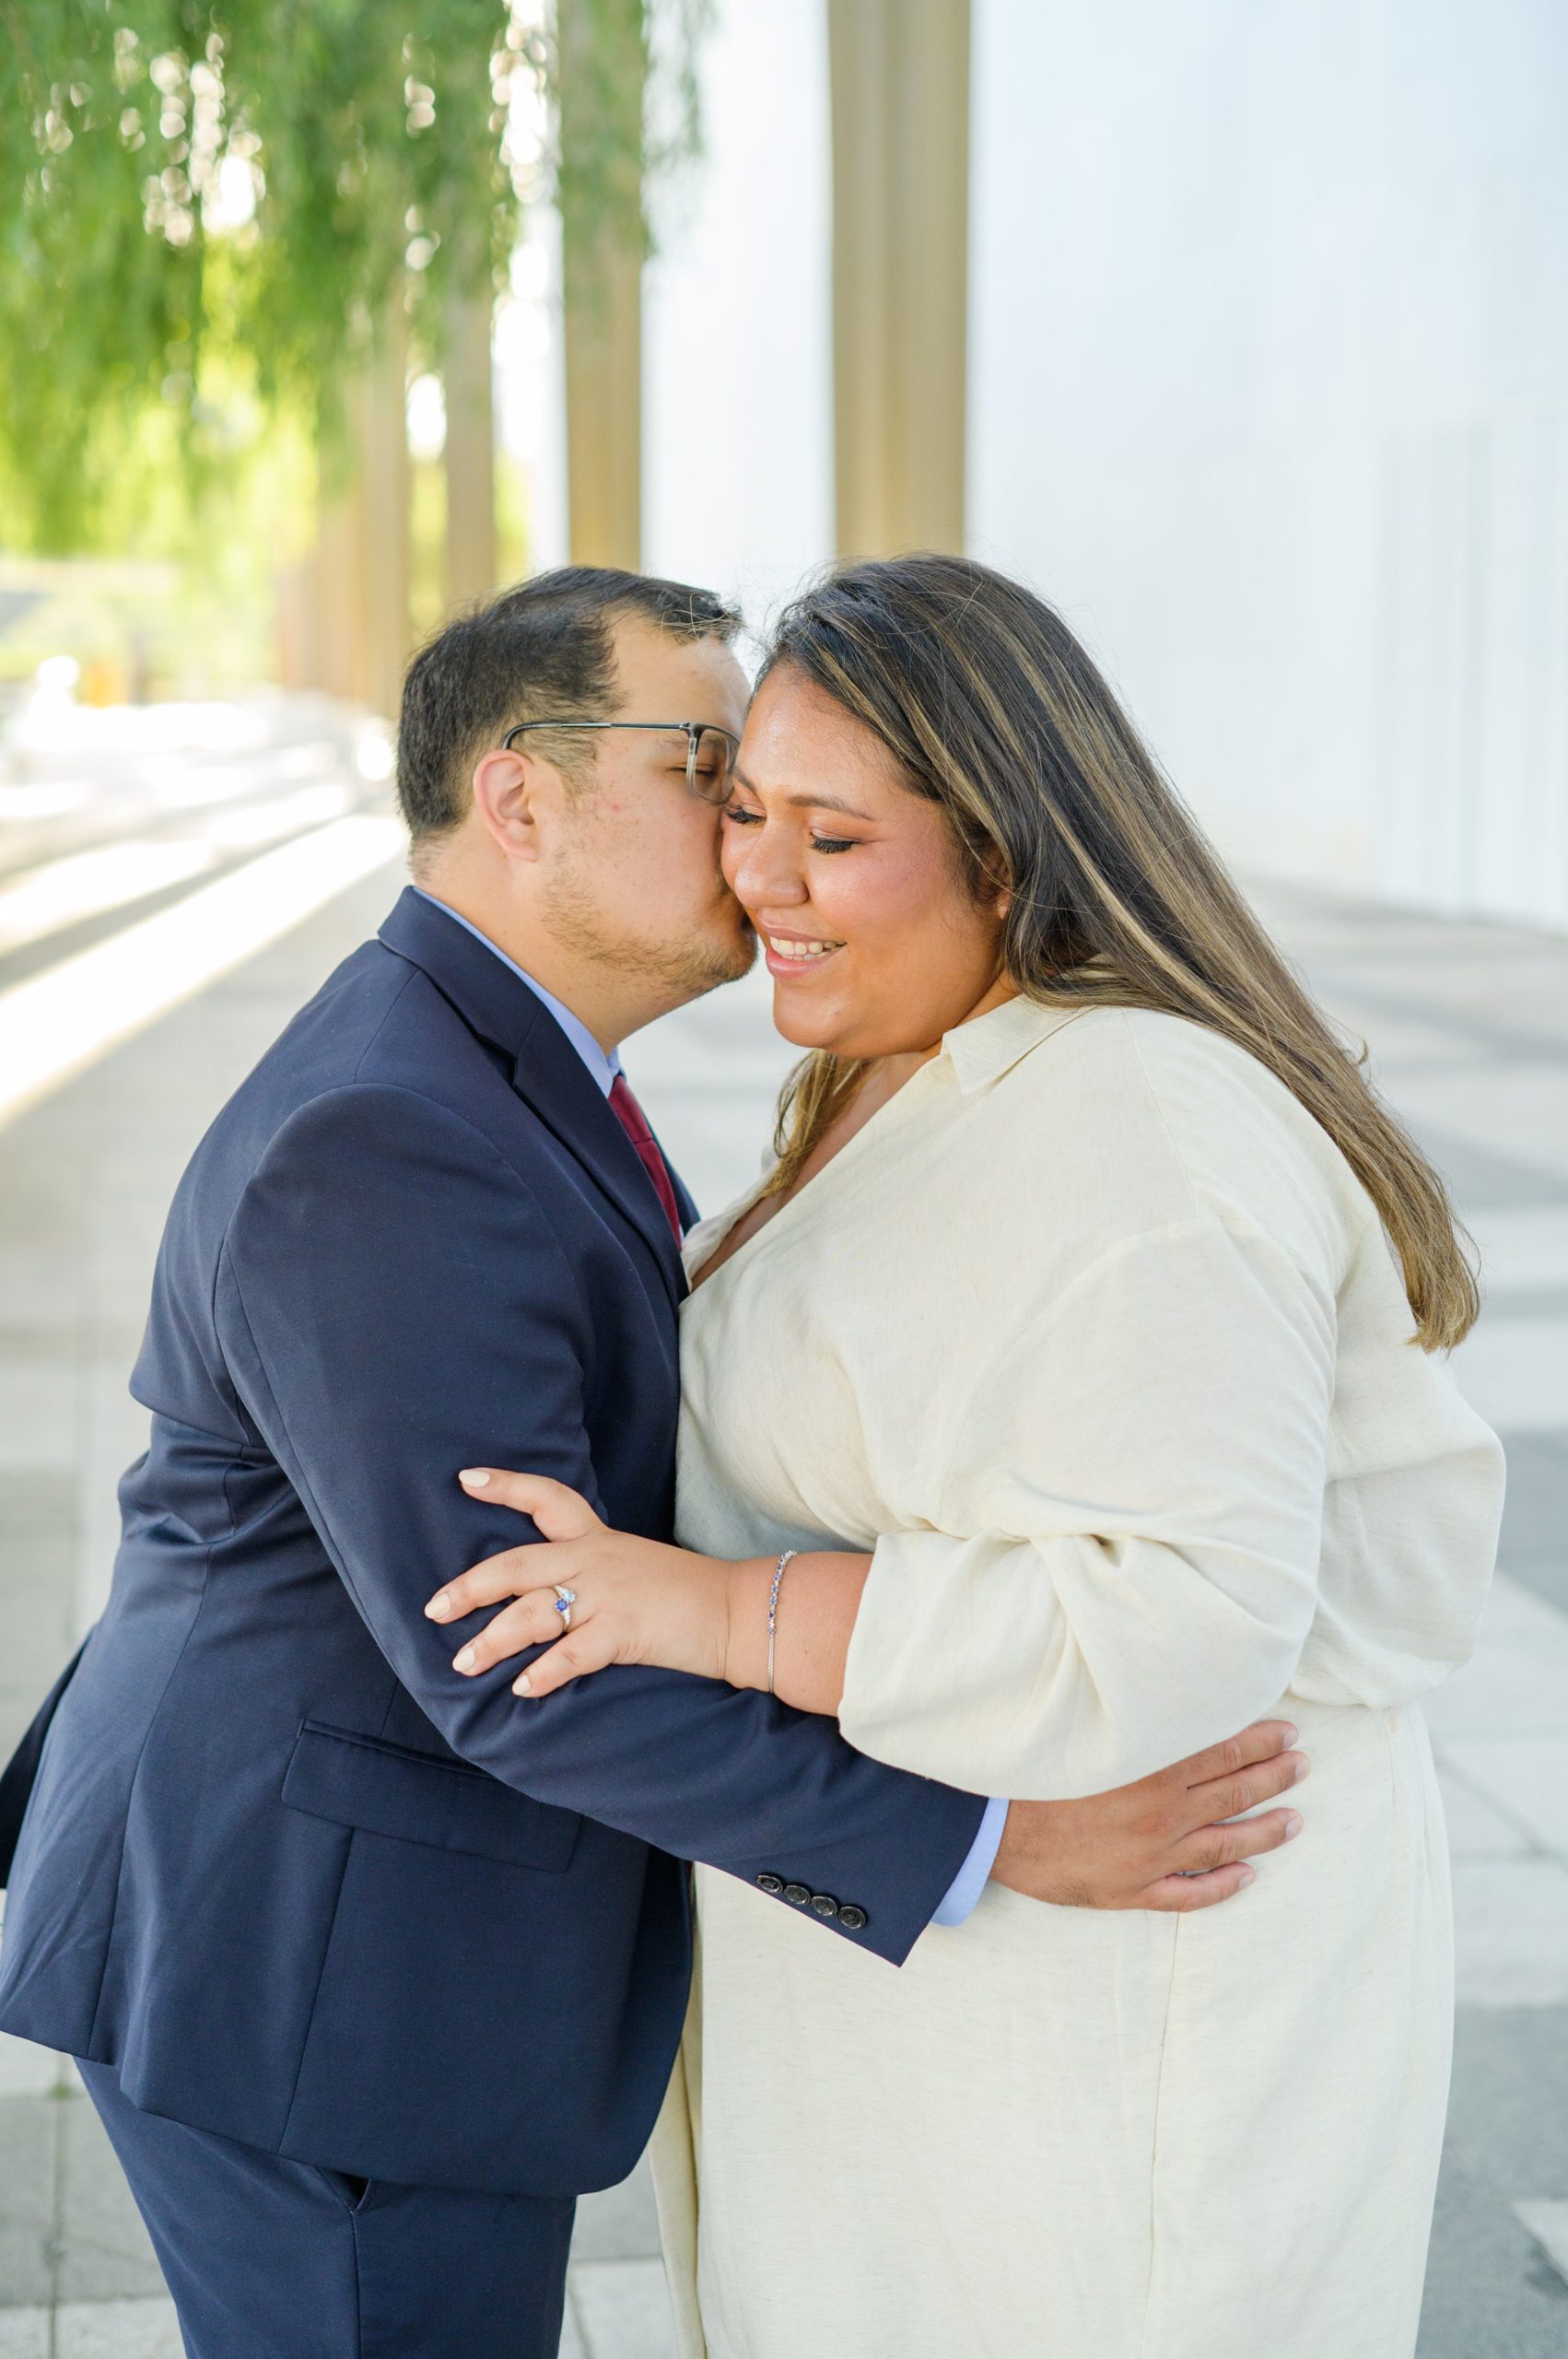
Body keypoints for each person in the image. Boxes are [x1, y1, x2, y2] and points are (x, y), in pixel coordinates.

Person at [0, 568, 1305, 2359]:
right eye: (707, 761)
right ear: (519, 795)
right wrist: (993, 1839)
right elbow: (513, 1664)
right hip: (318, 1977)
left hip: (341, 1919)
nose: (748, 827)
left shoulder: (507, 1062)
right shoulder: (392, 1132)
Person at [427, 556, 1505, 2359]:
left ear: (1006, 850)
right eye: (745, 809)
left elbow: (1175, 1618)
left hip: (1119, 2033)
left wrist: (713, 1610)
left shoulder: (1146, 1126)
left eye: (831, 839)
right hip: (959, 2016)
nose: (753, 873)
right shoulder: (920, 1056)